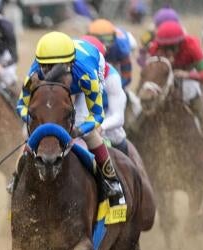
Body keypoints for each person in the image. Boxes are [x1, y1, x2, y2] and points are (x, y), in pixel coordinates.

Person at [16, 32, 125, 205]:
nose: (50, 72)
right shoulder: (34, 72)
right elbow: (21, 106)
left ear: (70, 64)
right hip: (66, 77)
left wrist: (79, 130)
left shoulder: (87, 75)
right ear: (40, 64)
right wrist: (35, 122)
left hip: (84, 78)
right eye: (46, 68)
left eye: (56, 67)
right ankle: (17, 177)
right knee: (26, 131)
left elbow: (97, 115)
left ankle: (111, 180)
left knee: (84, 124)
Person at [148, 21, 203, 157]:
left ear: (181, 42)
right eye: (165, 46)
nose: (168, 49)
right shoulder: (155, 48)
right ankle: (134, 132)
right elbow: (151, 70)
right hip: (164, 81)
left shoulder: (192, 45)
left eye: (172, 46)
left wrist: (188, 74)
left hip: (188, 79)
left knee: (197, 105)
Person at [81, 35, 128, 149]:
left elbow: (118, 117)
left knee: (117, 137)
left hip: (106, 121)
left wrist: (101, 127)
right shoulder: (76, 73)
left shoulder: (112, 77)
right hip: (83, 120)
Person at [87, 18, 133, 89]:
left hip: (122, 48)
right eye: (101, 41)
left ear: (114, 37)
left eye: (109, 40)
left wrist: (119, 87)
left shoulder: (121, 47)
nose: (105, 45)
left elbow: (127, 76)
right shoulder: (86, 45)